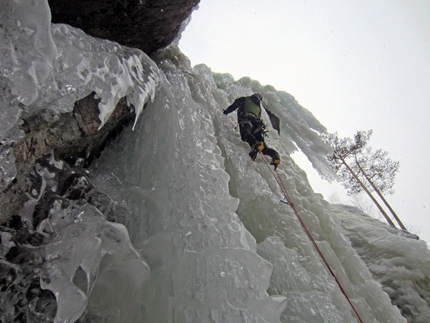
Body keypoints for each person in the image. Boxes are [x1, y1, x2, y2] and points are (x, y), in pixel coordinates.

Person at [223, 93, 280, 168]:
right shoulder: (258, 107)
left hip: (247, 120)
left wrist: (226, 112)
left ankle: (255, 144)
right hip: (257, 126)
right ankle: (274, 155)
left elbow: (234, 105)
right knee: (263, 148)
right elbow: (258, 117)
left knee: (245, 134)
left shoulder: (244, 99)